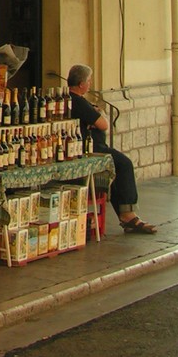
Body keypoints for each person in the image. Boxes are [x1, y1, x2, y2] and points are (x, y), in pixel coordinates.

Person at [67, 63, 157, 234]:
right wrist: (96, 116)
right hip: (91, 147)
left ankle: (126, 214)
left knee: (117, 168)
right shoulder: (77, 101)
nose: (90, 84)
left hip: (86, 145)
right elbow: (103, 124)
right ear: (81, 84)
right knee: (124, 164)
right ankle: (127, 214)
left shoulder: (71, 99)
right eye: (89, 81)